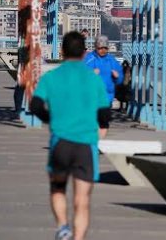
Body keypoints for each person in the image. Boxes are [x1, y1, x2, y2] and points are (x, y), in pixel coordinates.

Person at [29, 31, 112, 240]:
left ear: (63, 51)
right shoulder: (93, 80)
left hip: (60, 143)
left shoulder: (51, 77)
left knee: (57, 187)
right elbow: (104, 114)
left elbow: (36, 105)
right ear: (85, 53)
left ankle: (63, 226)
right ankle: (78, 238)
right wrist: (100, 129)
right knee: (82, 200)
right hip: (86, 144)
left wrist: (52, 118)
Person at [83, 35, 124, 106]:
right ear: (96, 47)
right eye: (100, 48)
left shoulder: (112, 60)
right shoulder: (89, 59)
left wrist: (117, 77)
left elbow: (120, 79)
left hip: (107, 98)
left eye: (105, 48)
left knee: (105, 116)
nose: (103, 50)